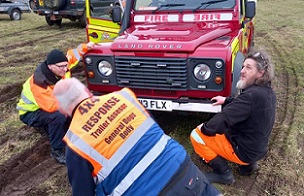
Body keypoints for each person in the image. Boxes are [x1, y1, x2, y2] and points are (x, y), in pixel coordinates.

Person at [53, 77, 222, 196]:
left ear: (62, 110)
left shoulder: (76, 144)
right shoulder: (124, 97)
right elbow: (155, 131)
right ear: (85, 90)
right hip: (184, 169)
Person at [190, 50, 276, 185]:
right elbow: (243, 105)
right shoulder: (267, 92)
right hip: (257, 150)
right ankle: (248, 166)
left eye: (248, 68)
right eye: (243, 67)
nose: (242, 71)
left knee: (196, 135)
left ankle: (223, 174)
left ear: (261, 73)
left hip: (243, 152)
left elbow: (224, 118)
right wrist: (225, 100)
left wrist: (205, 129)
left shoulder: (251, 96)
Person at [16, 42, 95, 164]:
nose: (65, 69)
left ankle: (72, 134)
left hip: (46, 106)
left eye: (66, 66)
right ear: (50, 67)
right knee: (58, 117)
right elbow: (52, 107)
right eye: (61, 67)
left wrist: (86, 47)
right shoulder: (39, 83)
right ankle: (57, 150)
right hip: (30, 112)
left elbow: (73, 54)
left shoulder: (62, 65)